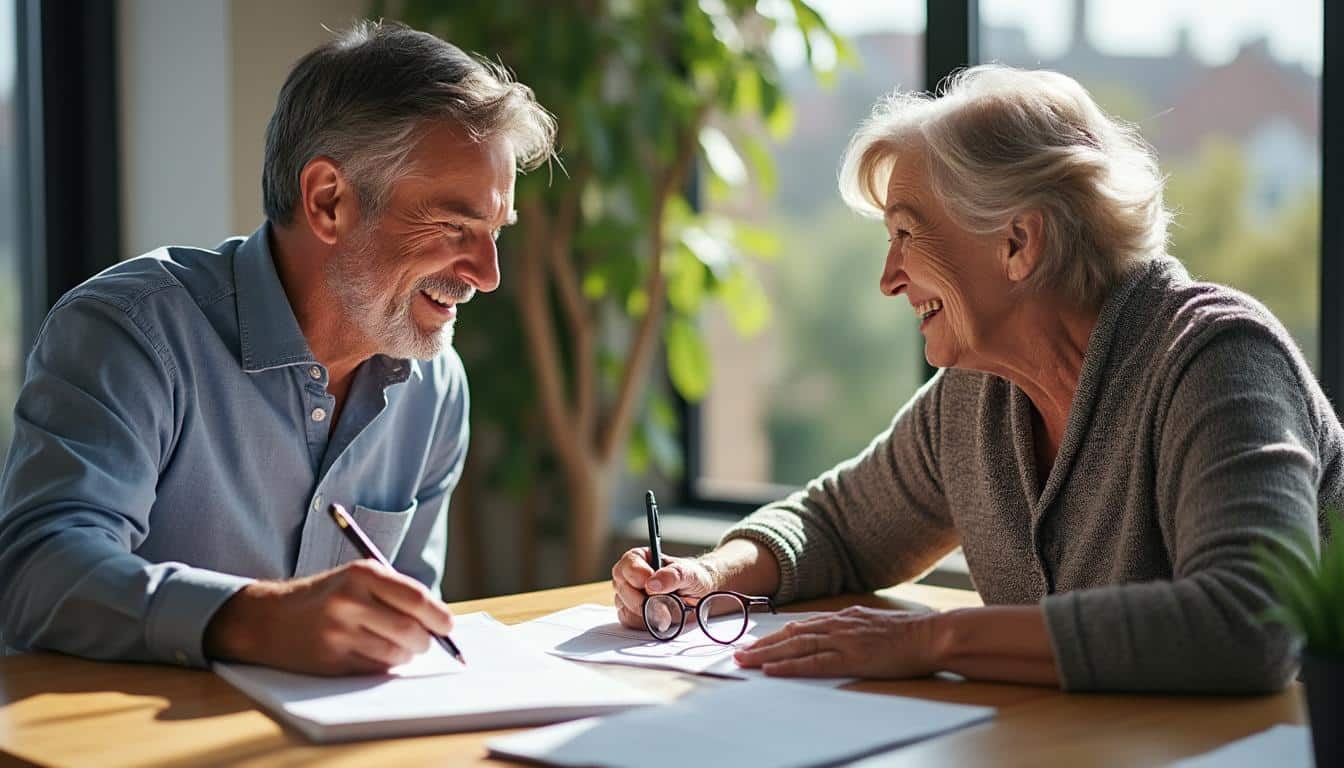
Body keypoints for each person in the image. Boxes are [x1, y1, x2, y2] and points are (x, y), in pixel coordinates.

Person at [612, 65, 1341, 693]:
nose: (889, 278)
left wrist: (933, 642)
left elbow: (1248, 623)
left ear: (1018, 242)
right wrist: (708, 576)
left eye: (906, 234)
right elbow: (837, 527)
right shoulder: (978, 397)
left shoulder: (1216, 358)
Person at [0, 22, 555, 675]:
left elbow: (404, 633)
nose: (488, 275)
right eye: (454, 226)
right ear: (328, 201)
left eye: (495, 231)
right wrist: (257, 619)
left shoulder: (436, 386)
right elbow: (36, 573)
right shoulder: (130, 332)